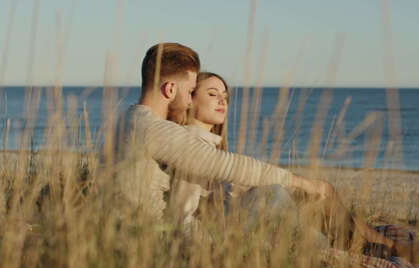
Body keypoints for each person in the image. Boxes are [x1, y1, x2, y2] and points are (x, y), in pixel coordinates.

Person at [113, 42, 332, 222]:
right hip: (158, 240)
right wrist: (303, 183)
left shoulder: (128, 119)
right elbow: (229, 165)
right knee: (273, 195)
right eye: (190, 92)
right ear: (170, 89)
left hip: (139, 233)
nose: (190, 100)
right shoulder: (155, 130)